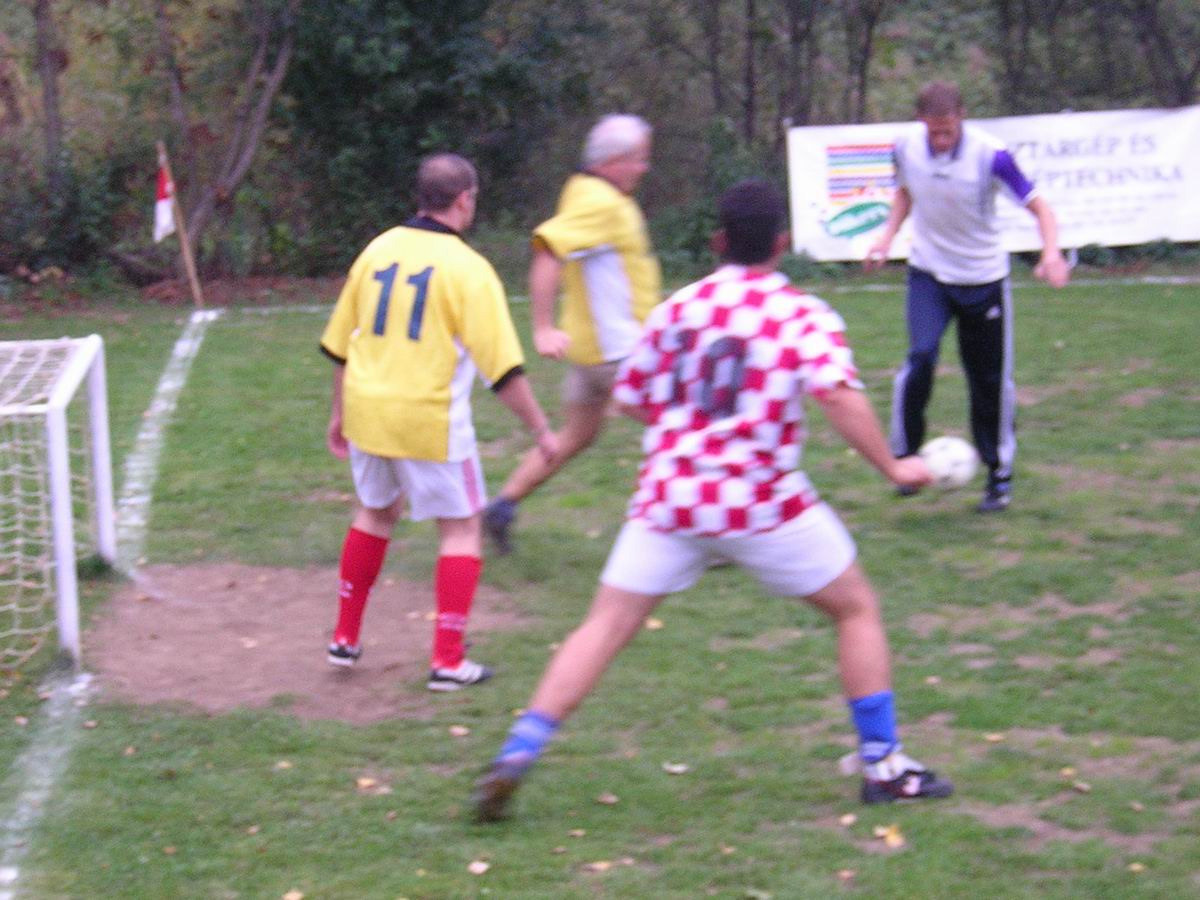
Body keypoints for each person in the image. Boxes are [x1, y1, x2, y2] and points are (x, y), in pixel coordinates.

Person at [473, 179, 954, 821]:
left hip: (669, 500)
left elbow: (631, 398)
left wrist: (690, 432)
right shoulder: (800, 313)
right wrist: (894, 465)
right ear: (782, 243)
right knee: (855, 608)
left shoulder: (678, 308)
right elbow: (838, 394)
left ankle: (518, 750)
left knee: (604, 624)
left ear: (718, 241)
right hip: (762, 504)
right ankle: (884, 765)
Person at [319, 153, 558, 691]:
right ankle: (448, 661)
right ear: (464, 199)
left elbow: (340, 346)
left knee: (375, 513)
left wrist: (339, 412)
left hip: (368, 411)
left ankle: (344, 637)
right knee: (462, 528)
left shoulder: (377, 250)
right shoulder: (468, 269)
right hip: (428, 420)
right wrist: (542, 431)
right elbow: (503, 369)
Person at [864, 81, 1071, 513]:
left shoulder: (990, 155)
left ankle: (998, 475)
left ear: (962, 117)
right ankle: (905, 459)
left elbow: (1041, 208)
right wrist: (886, 237)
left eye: (948, 130)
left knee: (988, 382)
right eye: (934, 131)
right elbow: (904, 193)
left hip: (982, 280)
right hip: (929, 274)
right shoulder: (904, 147)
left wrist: (1050, 253)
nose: (941, 139)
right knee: (920, 357)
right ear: (921, 121)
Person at [482, 114, 661, 555]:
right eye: (638, 159)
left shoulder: (582, 190)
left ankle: (501, 507)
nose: (644, 168)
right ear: (613, 161)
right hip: (620, 355)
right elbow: (549, 251)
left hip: (589, 355)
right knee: (683, 428)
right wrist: (542, 327)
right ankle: (677, 535)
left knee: (577, 435)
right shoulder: (602, 204)